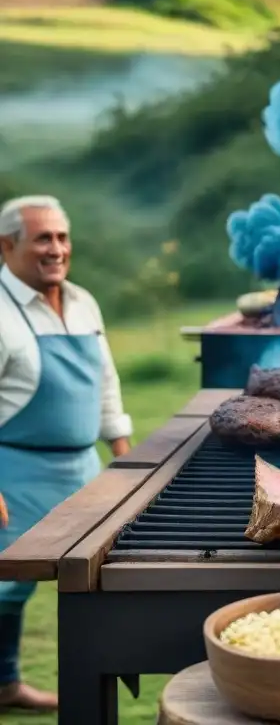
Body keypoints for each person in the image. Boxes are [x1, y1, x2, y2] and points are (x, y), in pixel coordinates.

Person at [0, 195, 133, 712]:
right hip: (16, 471)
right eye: (42, 238)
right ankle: (5, 685)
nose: (57, 249)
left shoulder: (81, 301)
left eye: (62, 237)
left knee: (97, 576)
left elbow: (104, 381)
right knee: (7, 590)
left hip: (84, 467)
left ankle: (93, 689)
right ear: (6, 245)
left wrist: (122, 449)